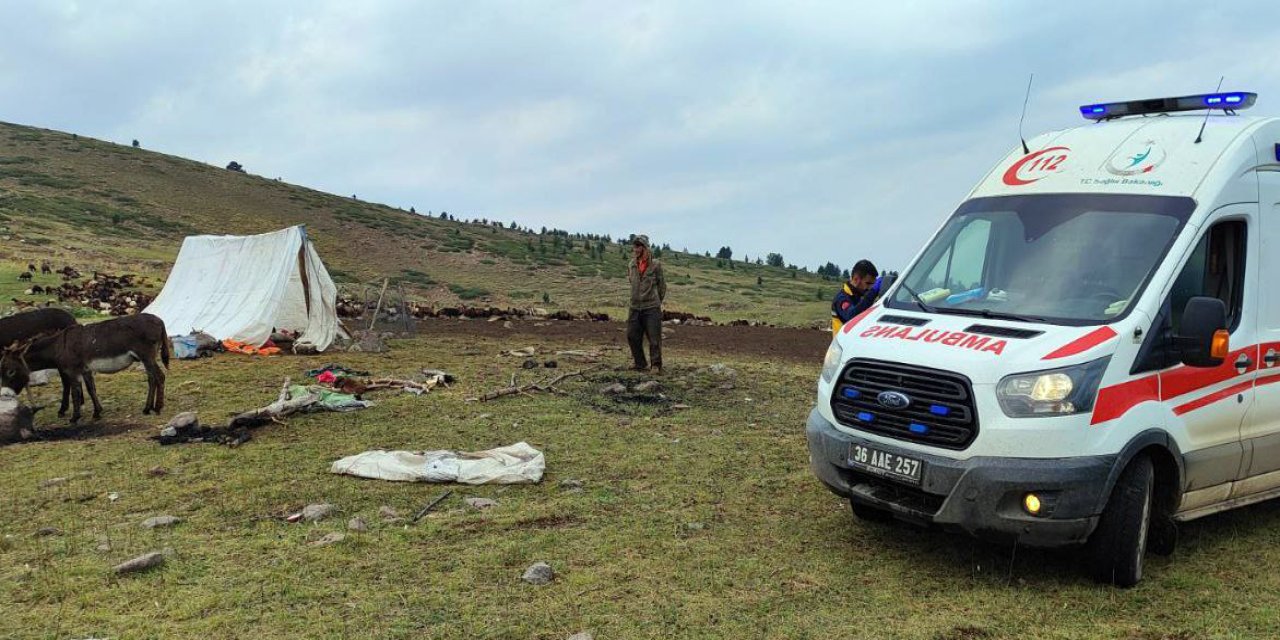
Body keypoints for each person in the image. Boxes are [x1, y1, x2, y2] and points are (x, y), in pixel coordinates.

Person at [627, 235, 667, 373]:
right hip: (634, 307)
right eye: (635, 246)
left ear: (645, 248)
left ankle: (656, 365)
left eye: (639, 246)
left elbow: (662, 286)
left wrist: (656, 301)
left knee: (654, 338)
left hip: (651, 308)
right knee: (632, 335)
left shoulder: (656, 265)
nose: (636, 249)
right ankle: (640, 363)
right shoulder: (631, 264)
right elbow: (631, 282)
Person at [831, 259, 881, 334]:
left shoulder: (859, 297)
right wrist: (873, 292)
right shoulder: (841, 298)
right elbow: (851, 316)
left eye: (872, 285)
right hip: (841, 344)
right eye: (868, 283)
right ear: (856, 279)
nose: (870, 288)